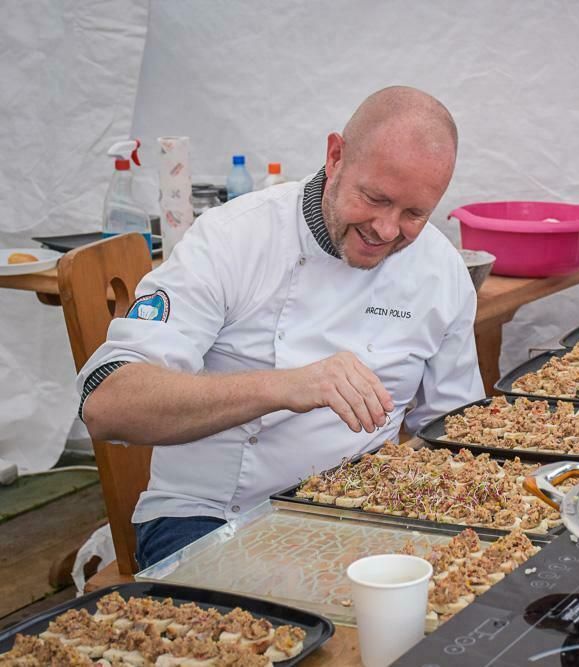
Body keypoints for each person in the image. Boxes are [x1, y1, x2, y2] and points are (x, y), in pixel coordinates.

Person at [77, 86, 484, 568]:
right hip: (214, 519)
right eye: (375, 198)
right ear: (335, 156)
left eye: (414, 213)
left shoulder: (441, 270)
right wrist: (285, 385)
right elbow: (107, 405)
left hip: (366, 515)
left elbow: (458, 434)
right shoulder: (235, 238)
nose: (387, 229)